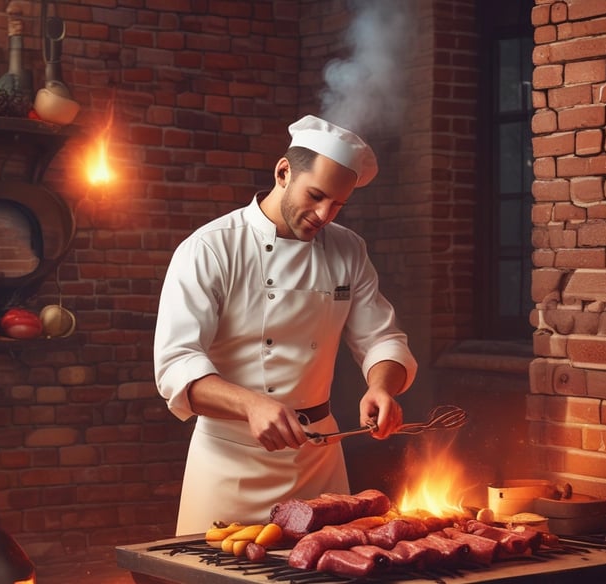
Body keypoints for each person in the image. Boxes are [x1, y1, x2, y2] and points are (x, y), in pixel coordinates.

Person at [154, 114, 418, 536]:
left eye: (337, 205)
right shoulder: (210, 248)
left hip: (318, 463)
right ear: (283, 172)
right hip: (229, 462)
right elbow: (175, 366)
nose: (324, 214)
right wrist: (251, 404)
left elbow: (382, 339)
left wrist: (381, 386)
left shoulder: (348, 250)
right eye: (315, 195)